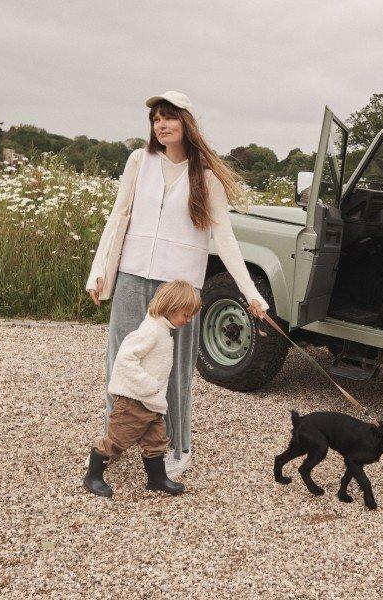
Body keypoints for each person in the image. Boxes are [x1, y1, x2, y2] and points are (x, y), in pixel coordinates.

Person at [85, 91, 268, 477]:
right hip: (133, 274)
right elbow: (118, 217)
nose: (161, 125)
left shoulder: (207, 177)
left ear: (186, 123)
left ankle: (177, 446)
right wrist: (99, 269)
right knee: (120, 360)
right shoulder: (139, 161)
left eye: (169, 118)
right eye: (155, 119)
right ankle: (112, 440)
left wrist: (251, 293)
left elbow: (226, 238)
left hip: (179, 288)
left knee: (175, 368)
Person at [84, 280, 202, 498]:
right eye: (185, 315)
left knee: (156, 441)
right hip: (134, 401)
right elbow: (126, 359)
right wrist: (148, 385)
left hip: (151, 402)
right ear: (171, 307)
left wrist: (154, 393)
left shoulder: (163, 330)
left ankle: (157, 479)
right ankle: (93, 476)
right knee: (117, 440)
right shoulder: (151, 331)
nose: (188, 320)